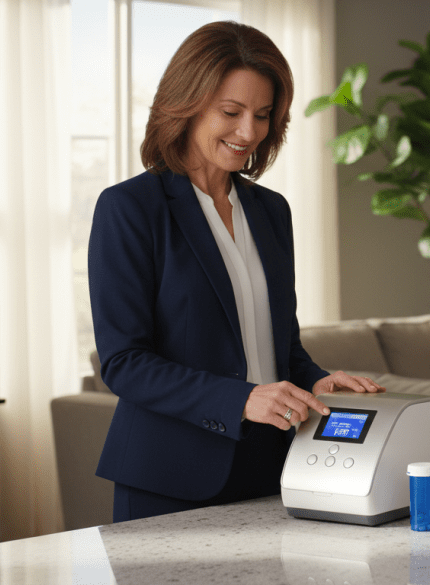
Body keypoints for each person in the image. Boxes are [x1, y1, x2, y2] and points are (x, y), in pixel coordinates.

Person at [88, 21, 385, 523]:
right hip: (168, 481)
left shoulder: (272, 211)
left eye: (264, 115)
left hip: (271, 470)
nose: (249, 132)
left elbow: (280, 350)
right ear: (185, 104)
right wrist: (242, 400)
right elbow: (124, 362)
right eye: (231, 112)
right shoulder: (130, 209)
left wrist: (317, 381)